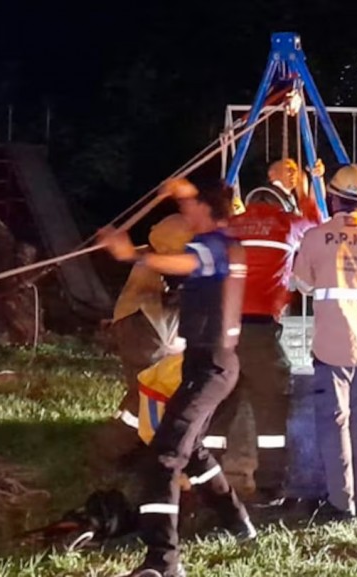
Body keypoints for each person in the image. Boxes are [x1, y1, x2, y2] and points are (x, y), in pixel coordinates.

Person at [99, 178, 255, 577]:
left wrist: (128, 254)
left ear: (205, 209)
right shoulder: (223, 240)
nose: (184, 214)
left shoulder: (213, 246)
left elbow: (182, 262)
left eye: (190, 207)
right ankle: (238, 524)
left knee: (165, 458)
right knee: (194, 449)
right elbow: (193, 229)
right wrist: (181, 190)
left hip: (211, 367)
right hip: (205, 363)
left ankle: (162, 562)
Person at [216, 159, 324, 503]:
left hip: (223, 331)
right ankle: (269, 487)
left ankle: (204, 480)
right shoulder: (286, 224)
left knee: (219, 406)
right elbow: (318, 225)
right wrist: (308, 185)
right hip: (260, 332)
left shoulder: (231, 225)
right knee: (272, 407)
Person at [291, 164, 357, 518]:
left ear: (333, 198)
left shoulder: (316, 236)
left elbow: (301, 285)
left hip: (331, 345)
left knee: (335, 424)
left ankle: (341, 503)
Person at [98, 214, 193, 463]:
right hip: (144, 322)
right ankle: (120, 448)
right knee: (151, 390)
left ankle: (126, 446)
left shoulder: (182, 227)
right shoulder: (180, 227)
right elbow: (176, 268)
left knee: (145, 390)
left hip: (145, 321)